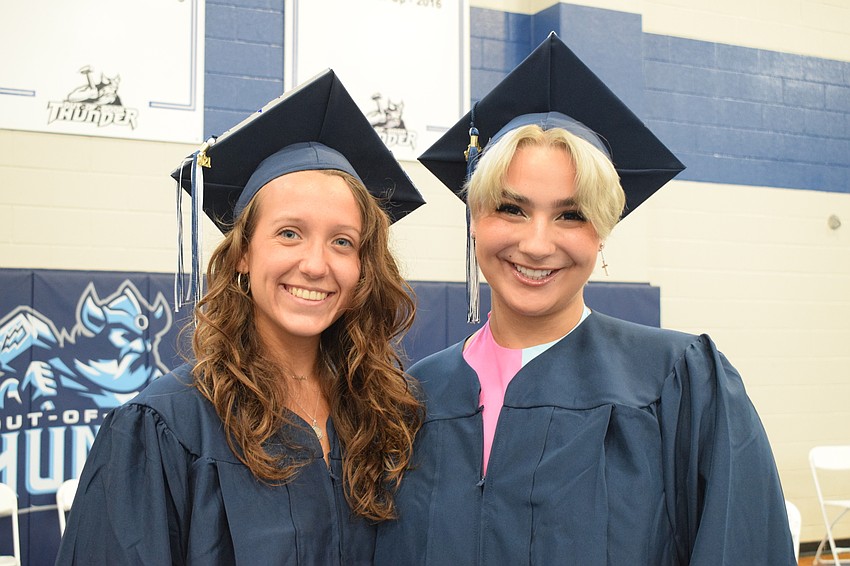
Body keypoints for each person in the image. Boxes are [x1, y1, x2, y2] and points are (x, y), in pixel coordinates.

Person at [374, 33, 796, 565]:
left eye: (571, 215)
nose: (536, 243)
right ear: (475, 219)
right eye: (511, 208)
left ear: (601, 233)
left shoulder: (680, 385)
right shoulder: (413, 399)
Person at [56, 69, 426, 565]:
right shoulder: (166, 429)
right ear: (242, 256)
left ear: (362, 267)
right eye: (289, 233)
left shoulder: (380, 414)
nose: (315, 265)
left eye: (342, 241)